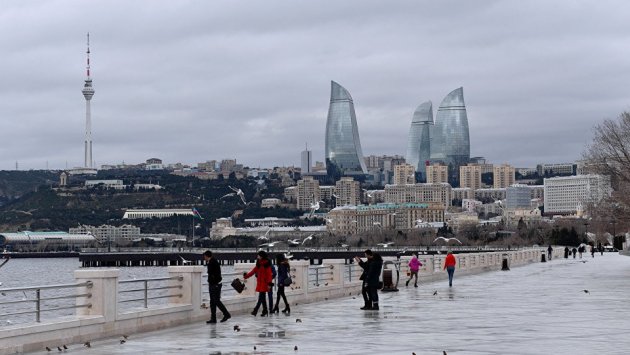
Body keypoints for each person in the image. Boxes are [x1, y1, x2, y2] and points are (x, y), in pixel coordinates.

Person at [203, 250, 231, 324]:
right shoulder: (212, 261)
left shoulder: (212, 262)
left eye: (204, 256)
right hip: (214, 284)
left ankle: (226, 314)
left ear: (207, 256)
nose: (204, 258)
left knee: (216, 301)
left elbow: (213, 273)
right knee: (212, 301)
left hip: (215, 284)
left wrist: (214, 283)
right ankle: (213, 318)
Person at [243, 250, 273, 317]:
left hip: (265, 283)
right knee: (262, 297)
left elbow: (269, 275)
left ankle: (256, 310)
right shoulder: (259, 264)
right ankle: (264, 310)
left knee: (261, 297)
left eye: (258, 255)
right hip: (260, 283)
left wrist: (269, 284)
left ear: (262, 256)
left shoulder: (266, 264)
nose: (257, 256)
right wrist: (246, 276)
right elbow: (253, 271)